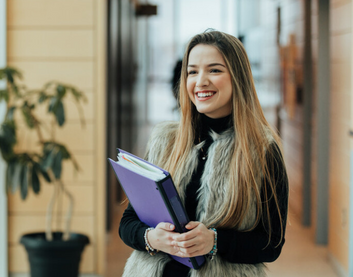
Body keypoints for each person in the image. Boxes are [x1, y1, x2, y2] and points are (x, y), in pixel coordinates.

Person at [119, 30, 289, 277]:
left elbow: (271, 244)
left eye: (215, 70)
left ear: (237, 77)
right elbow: (128, 222)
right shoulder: (164, 141)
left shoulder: (262, 150)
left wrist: (215, 241)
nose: (200, 81)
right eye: (192, 71)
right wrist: (151, 237)